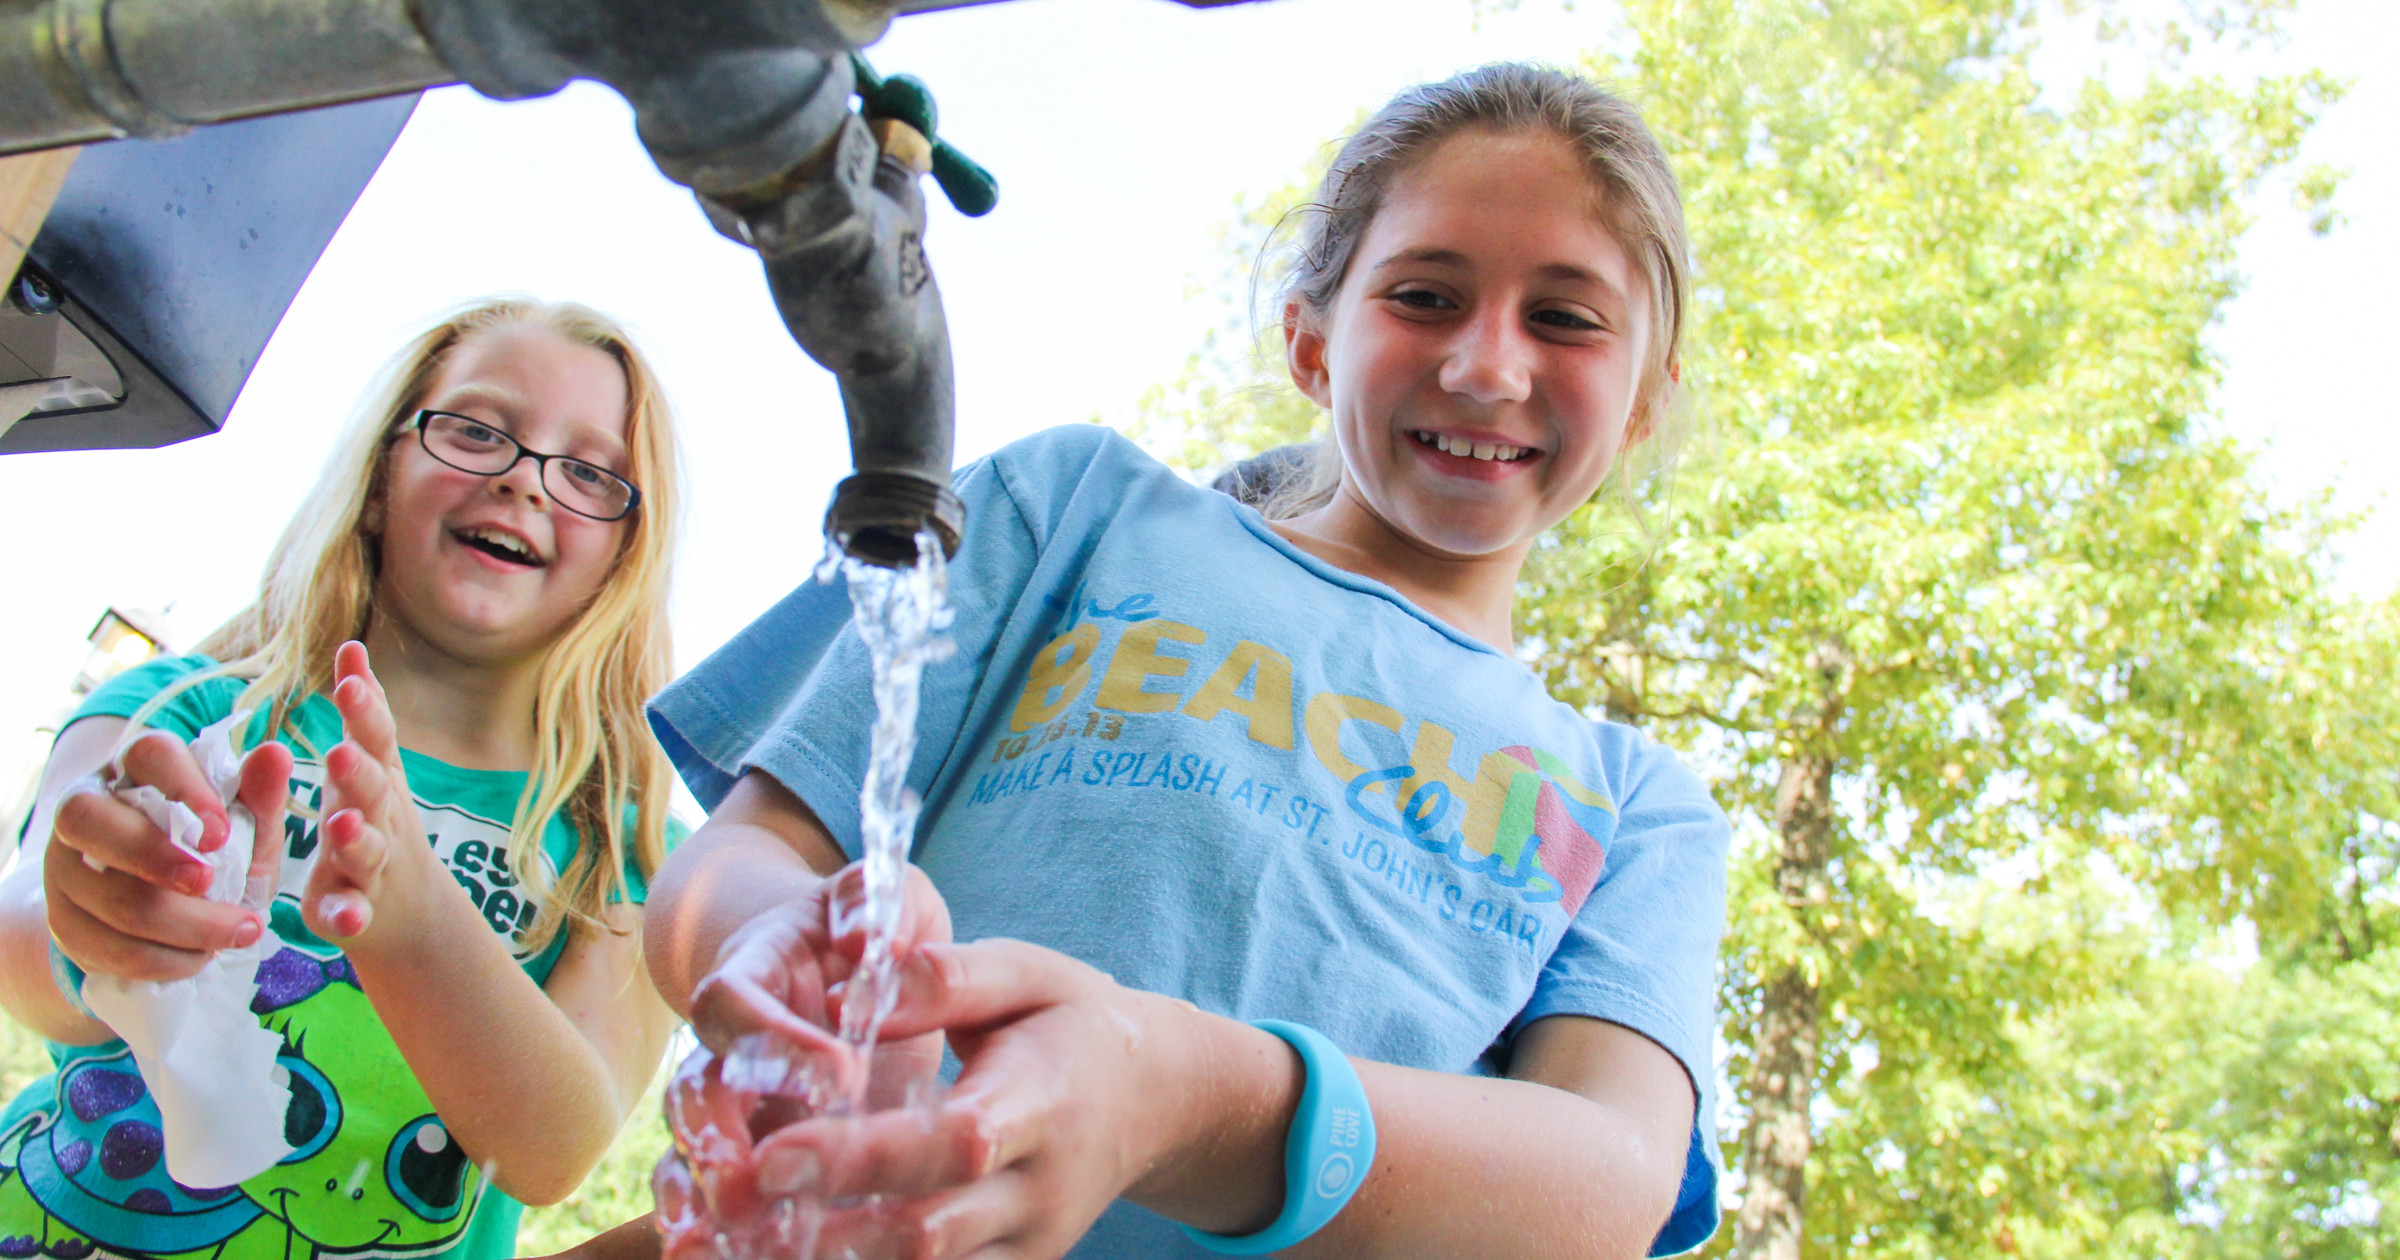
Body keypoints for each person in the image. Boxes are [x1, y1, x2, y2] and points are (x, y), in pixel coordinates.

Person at [645, 62, 1728, 1260]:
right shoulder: (1068, 510)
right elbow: (735, 861)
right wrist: (780, 949)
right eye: (1424, 296)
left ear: (1641, 402)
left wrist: (1181, 1096)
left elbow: (1608, 1185)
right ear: (1311, 344)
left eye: (1566, 317)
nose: (1486, 367)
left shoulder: (1637, 810)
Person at [0, 298, 687, 1260]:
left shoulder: (629, 845)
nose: (527, 484)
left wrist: (413, 919)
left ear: (625, 550)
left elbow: (554, 1147)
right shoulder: (189, 707)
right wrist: (95, 922)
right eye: (479, 431)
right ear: (379, 479)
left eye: (588, 471)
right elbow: (22, 933)